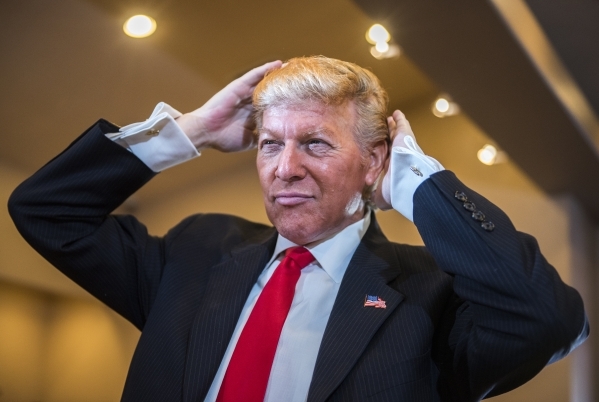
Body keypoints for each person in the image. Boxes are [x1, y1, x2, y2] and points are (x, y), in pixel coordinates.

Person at [8, 56, 588, 402]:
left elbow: (547, 318)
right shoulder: (196, 248)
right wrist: (191, 130)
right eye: (269, 144)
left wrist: (420, 186)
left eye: (315, 143)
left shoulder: (431, 294)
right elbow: (47, 211)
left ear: (375, 161)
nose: (284, 168)